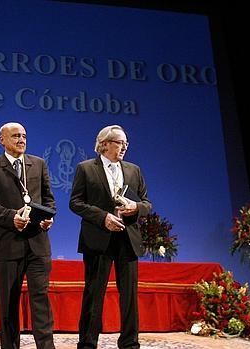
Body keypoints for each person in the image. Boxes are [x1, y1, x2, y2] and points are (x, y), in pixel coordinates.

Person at [69, 125, 151, 349]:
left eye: (126, 143)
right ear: (104, 144)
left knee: (129, 296)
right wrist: (102, 217)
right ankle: (87, 343)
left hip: (128, 240)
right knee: (94, 294)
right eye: (118, 142)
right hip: (98, 239)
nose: (123, 146)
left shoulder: (134, 170)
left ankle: (129, 343)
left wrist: (136, 207)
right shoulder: (86, 168)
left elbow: (147, 203)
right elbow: (75, 202)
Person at [0, 122, 56, 349]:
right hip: (8, 245)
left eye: (23, 135)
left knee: (41, 300)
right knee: (8, 304)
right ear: (1, 139)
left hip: (38, 245)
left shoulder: (38, 164)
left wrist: (49, 216)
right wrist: (11, 217)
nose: (21, 140)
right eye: (15, 136)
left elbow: (49, 199)